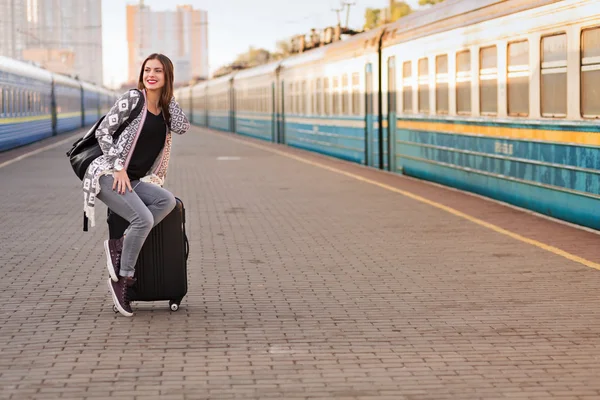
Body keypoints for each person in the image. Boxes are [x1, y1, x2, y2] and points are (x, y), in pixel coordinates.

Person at [81, 53, 190, 317]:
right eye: (147, 70)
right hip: (107, 174)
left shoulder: (164, 110)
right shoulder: (133, 99)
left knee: (167, 201)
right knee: (142, 219)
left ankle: (119, 245)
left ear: (167, 77)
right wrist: (118, 167)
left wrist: (168, 98)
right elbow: (103, 131)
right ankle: (123, 281)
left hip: (133, 180)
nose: (151, 75)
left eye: (158, 72)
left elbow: (183, 126)